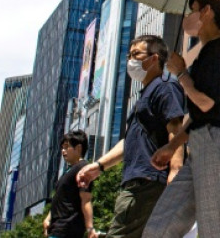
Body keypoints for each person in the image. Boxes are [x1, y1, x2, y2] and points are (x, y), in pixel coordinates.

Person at [143, 0, 220, 238]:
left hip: (216, 143)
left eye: (193, 10)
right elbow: (201, 114)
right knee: (160, 227)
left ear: (206, 12)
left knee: (216, 228)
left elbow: (206, 104)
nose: (188, 17)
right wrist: (172, 146)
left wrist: (181, 73)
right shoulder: (209, 51)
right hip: (202, 143)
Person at [76, 35, 186, 238]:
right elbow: (130, 141)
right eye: (129, 55)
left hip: (147, 181)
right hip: (138, 180)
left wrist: (176, 170)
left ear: (154, 58)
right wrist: (100, 166)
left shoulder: (165, 86)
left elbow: (176, 129)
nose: (130, 61)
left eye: (136, 55)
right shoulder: (145, 95)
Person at [44, 131, 96, 238]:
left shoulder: (83, 167)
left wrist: (90, 228)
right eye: (62, 148)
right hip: (57, 228)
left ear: (78, 148)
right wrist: (48, 218)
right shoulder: (69, 171)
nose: (63, 151)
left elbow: (86, 200)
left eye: (66, 147)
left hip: (68, 229)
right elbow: (60, 199)